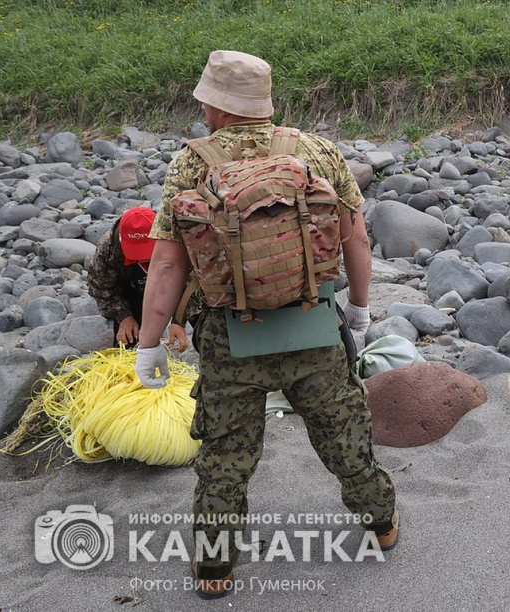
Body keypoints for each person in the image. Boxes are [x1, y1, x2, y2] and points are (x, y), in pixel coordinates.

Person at [134, 50, 397, 598]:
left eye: (206, 98)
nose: (203, 106)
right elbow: (355, 236)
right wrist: (360, 310)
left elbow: (167, 262)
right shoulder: (316, 151)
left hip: (231, 337)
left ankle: (214, 570)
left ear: (220, 107)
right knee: (344, 437)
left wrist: (150, 344)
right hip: (314, 327)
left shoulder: (191, 164)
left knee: (226, 458)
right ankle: (381, 522)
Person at [88, 206, 189, 351]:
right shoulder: (109, 247)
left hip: (174, 282)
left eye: (145, 249)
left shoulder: (178, 241)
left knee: (205, 322)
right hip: (133, 289)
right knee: (128, 340)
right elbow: (100, 288)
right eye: (136, 250)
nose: (142, 257)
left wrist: (179, 321)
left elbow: (195, 284)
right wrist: (123, 316)